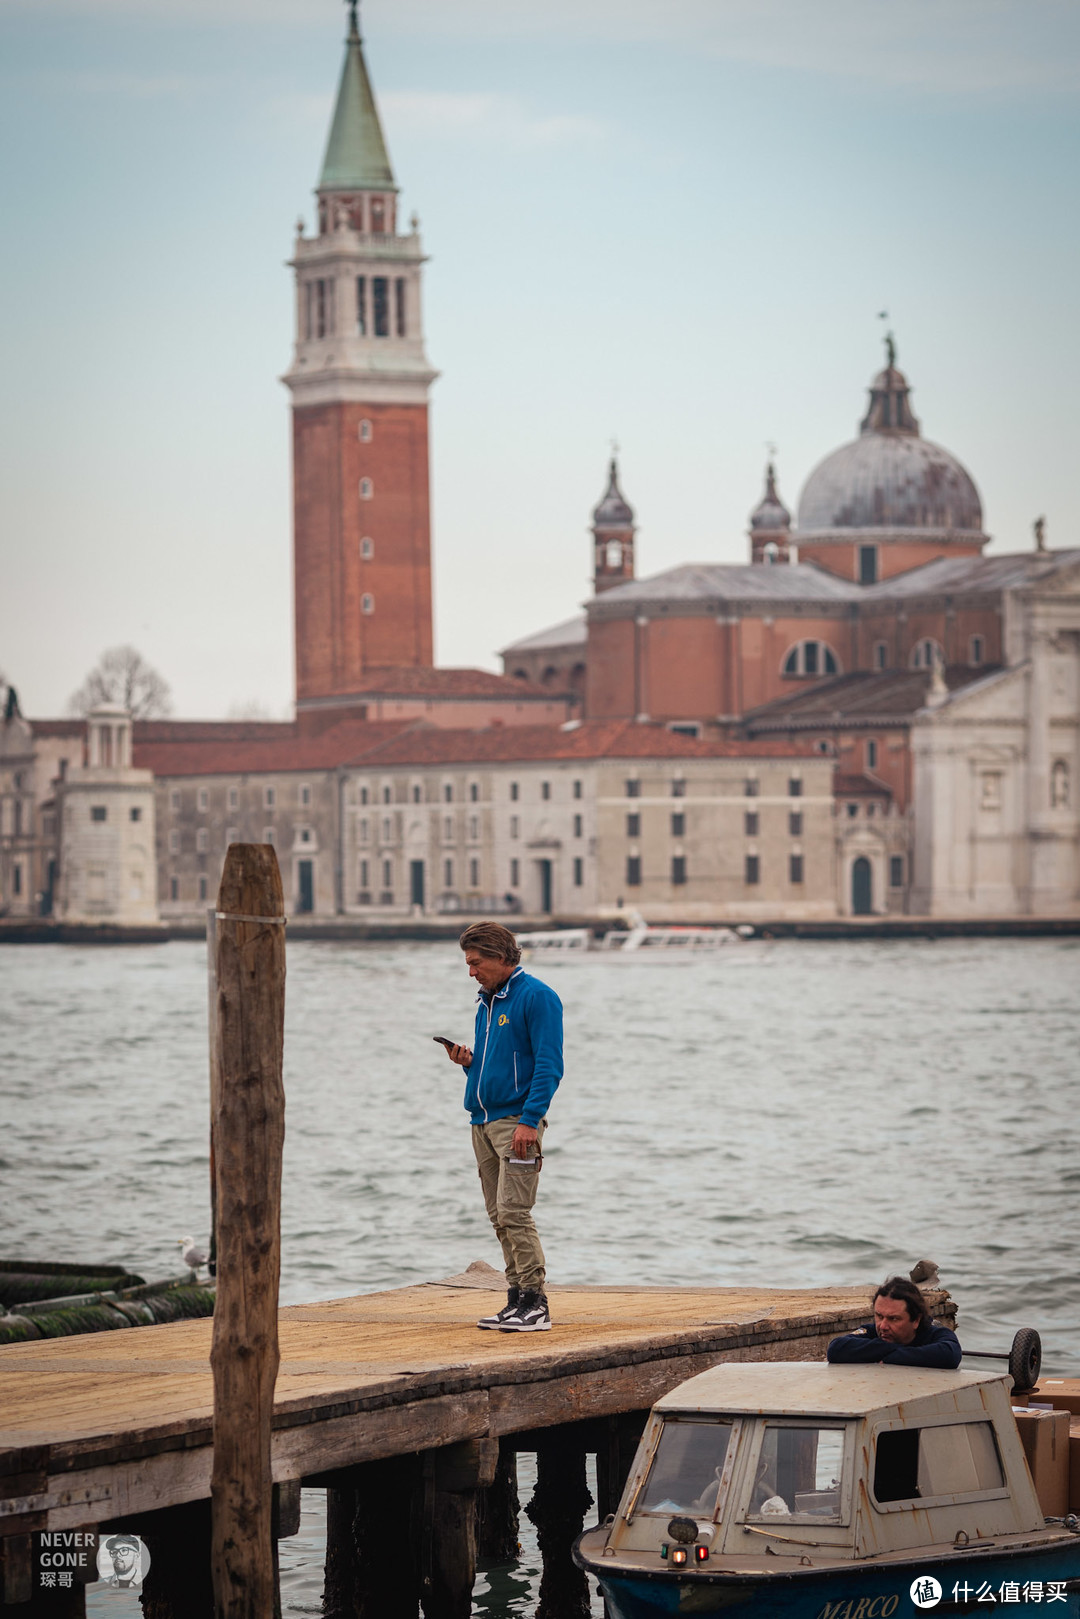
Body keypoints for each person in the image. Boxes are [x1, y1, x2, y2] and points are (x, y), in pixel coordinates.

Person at [442, 921, 563, 1333]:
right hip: (482, 1122)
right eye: (468, 964)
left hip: (516, 1124)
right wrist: (468, 1065)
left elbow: (549, 1066)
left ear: (499, 956)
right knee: (499, 1216)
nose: (471, 972)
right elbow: (501, 1065)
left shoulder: (538, 997)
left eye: (476, 963)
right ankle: (516, 1301)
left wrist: (530, 1121)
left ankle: (536, 1304)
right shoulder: (486, 1003)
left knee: (515, 1212)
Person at [827, 1277, 961, 1368]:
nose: (883, 1326)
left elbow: (950, 1354)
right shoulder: (873, 1331)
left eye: (893, 1319)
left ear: (916, 1320)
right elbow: (836, 1348)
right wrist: (891, 1349)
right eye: (879, 1316)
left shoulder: (934, 1332)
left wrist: (891, 1357)